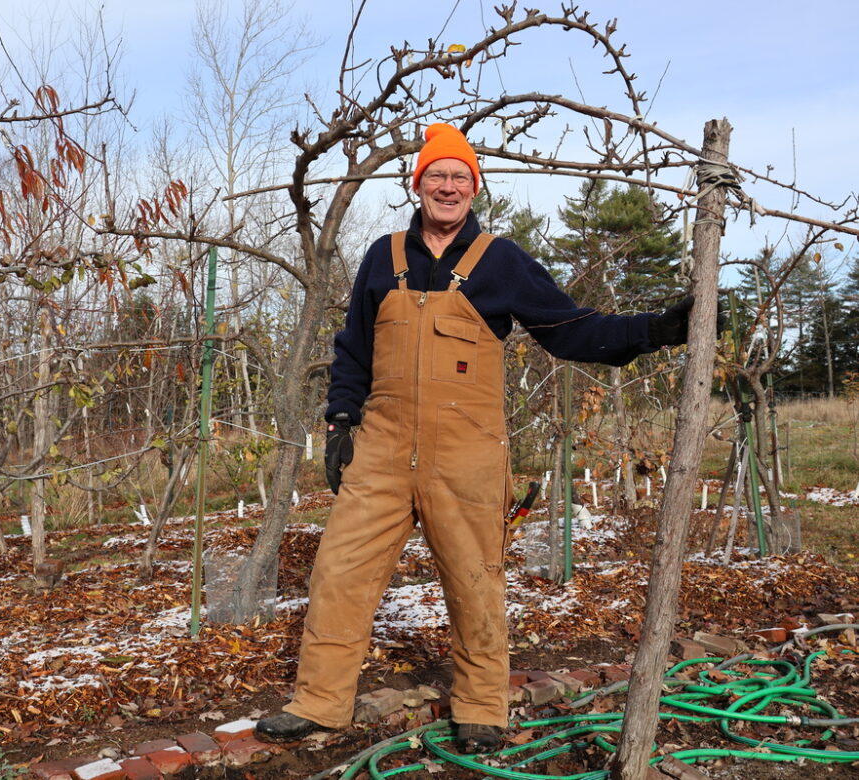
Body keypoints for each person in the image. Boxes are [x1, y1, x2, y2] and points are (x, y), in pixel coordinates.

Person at [254, 123, 699, 753]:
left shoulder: (501, 260)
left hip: (467, 456)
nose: (448, 186)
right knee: (338, 573)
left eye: (459, 177)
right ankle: (319, 702)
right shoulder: (383, 256)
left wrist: (656, 330)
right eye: (436, 174)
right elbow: (353, 348)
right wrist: (341, 422)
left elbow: (572, 329)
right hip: (381, 449)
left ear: (474, 187)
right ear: (417, 184)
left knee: (475, 581)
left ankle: (482, 708)